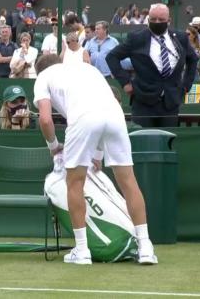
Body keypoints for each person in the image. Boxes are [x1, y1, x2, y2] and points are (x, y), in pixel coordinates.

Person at [33, 54, 158, 266]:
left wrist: (54, 147)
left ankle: (82, 250)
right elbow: (103, 107)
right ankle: (145, 247)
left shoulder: (43, 77)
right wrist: (97, 155)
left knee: (74, 183)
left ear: (39, 71)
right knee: (129, 182)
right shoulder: (88, 69)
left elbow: (45, 119)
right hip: (115, 117)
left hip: (84, 119)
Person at [106, 3, 198, 128]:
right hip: (143, 101)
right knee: (142, 141)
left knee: (168, 142)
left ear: (169, 21)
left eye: (161, 19)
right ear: (148, 19)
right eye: (153, 19)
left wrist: (186, 86)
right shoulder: (137, 38)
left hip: (170, 103)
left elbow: (193, 59)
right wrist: (125, 82)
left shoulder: (180, 38)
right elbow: (112, 57)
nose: (157, 22)